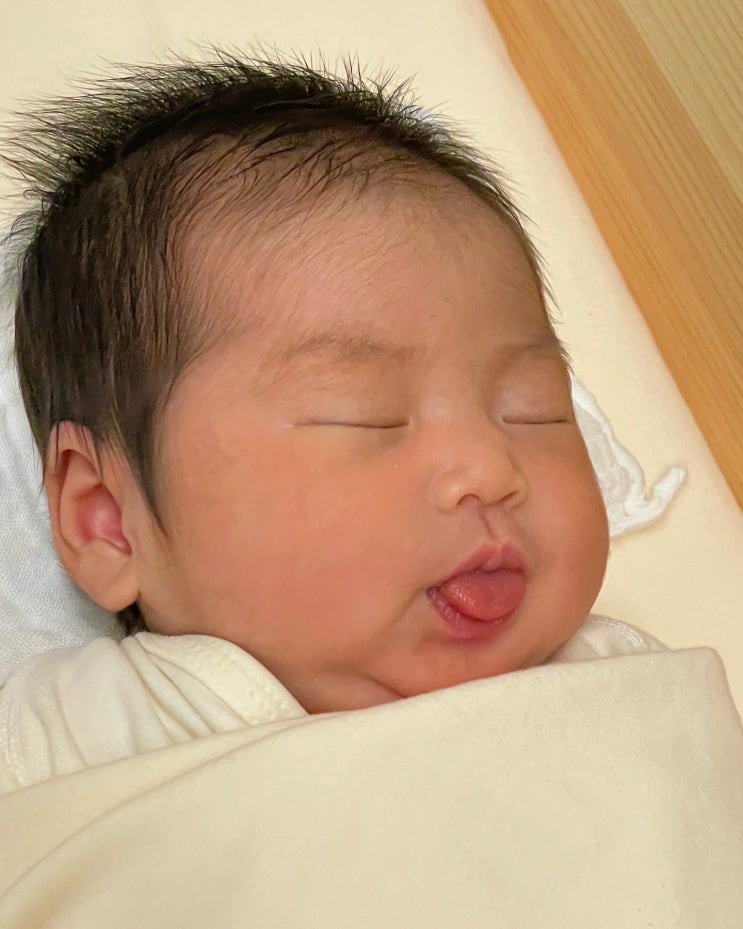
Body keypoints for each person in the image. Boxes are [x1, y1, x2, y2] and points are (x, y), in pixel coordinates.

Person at [0, 53, 664, 793]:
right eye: (365, 414)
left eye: (532, 408)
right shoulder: (78, 737)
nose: (489, 468)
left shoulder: (624, 691)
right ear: (108, 521)